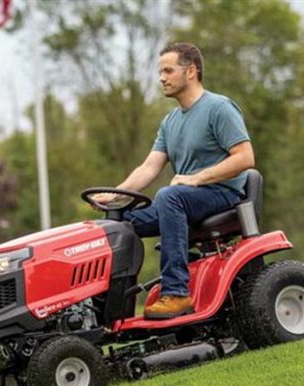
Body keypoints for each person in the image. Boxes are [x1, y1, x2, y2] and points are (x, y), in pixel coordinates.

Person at [95, 42, 255, 320]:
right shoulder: (170, 122)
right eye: (160, 72)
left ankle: (176, 293)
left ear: (191, 71)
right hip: (186, 200)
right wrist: (116, 196)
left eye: (168, 71)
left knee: (170, 195)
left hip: (221, 194)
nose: (161, 78)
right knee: (118, 222)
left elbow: (245, 158)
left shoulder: (219, 108)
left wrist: (196, 179)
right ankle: (107, 307)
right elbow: (149, 167)